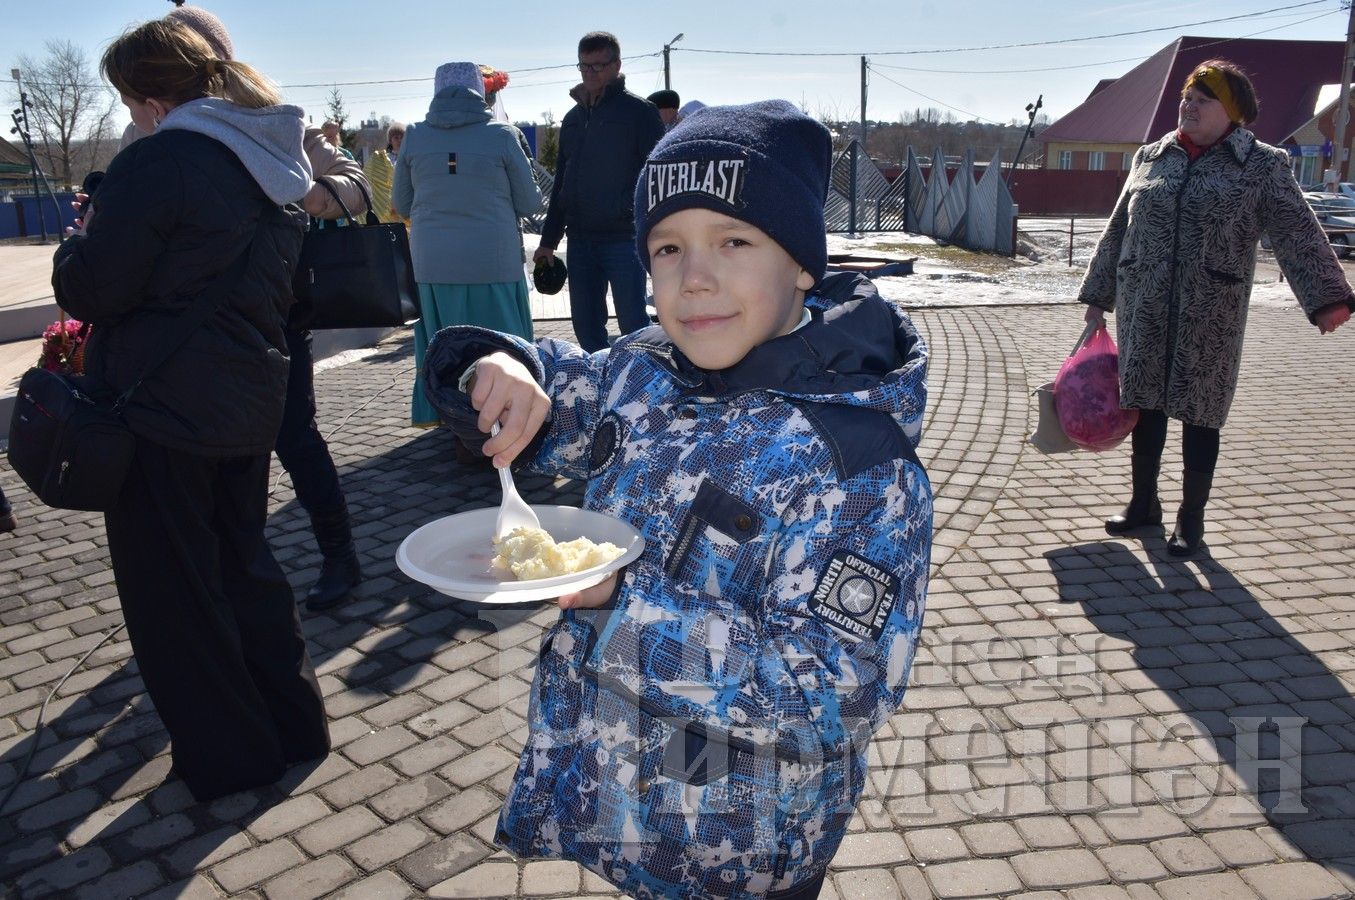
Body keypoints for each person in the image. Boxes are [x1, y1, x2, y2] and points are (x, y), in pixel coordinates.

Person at [423, 100, 932, 899]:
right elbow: (560, 389)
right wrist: (499, 366)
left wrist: (621, 604)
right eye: (667, 248)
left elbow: (834, 695)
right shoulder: (644, 368)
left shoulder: (859, 467)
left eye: (734, 240)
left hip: (738, 843)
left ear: (801, 261)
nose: (694, 278)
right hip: (626, 795)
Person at [53, 18, 329, 802]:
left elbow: (93, 289)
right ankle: (294, 725)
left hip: (161, 411)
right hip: (243, 400)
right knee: (245, 569)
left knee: (177, 596)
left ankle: (229, 757)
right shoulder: (269, 155)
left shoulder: (161, 159)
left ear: (148, 97)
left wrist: (77, 240)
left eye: (128, 100)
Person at [1080, 59, 1353, 555]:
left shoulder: (1262, 165)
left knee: (1201, 413)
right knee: (1144, 404)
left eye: (1203, 100)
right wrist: (1098, 297)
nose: (1189, 106)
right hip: (1145, 304)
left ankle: (1191, 520)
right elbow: (1121, 227)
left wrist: (1327, 299)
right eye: (1187, 97)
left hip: (1210, 313)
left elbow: (1296, 230)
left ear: (1231, 112)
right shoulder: (1152, 157)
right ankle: (1144, 505)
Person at [394, 61, 541, 429]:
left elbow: (402, 203)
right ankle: (509, 415)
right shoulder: (502, 135)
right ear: (481, 90)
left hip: (433, 265)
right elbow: (531, 203)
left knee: (442, 348)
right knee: (502, 345)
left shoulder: (414, 135)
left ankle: (450, 418)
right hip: (492, 262)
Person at [533, 32, 664, 352]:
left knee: (635, 324)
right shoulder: (573, 120)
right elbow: (563, 183)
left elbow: (659, 176)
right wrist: (548, 242)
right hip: (580, 242)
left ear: (617, 65)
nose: (590, 73)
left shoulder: (639, 113)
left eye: (598, 66)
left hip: (624, 239)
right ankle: (600, 388)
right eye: (584, 66)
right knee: (585, 325)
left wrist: (655, 230)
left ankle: (646, 388)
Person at [363, 122, 406, 223]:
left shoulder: (411, 158)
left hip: (405, 201)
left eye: (402, 137)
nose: (399, 140)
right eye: (396, 137)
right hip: (387, 204)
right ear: (390, 140)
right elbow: (370, 179)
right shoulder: (382, 159)